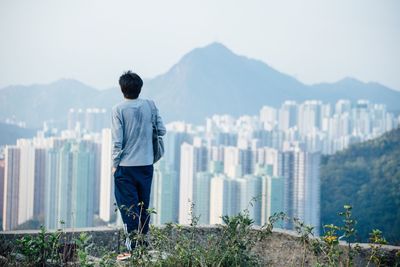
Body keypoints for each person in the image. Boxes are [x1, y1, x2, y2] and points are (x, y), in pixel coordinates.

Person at [111, 70, 166, 260]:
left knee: (128, 208)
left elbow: (118, 142)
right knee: (143, 207)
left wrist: (114, 165)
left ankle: (131, 250)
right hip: (146, 165)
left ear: (122, 89)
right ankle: (142, 246)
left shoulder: (118, 109)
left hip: (125, 167)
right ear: (139, 88)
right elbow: (162, 130)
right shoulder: (150, 105)